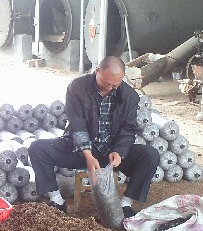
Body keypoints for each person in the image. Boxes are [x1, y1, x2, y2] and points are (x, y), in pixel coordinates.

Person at [28, 56, 159, 219]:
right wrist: (88, 155)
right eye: (106, 83)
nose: (110, 88)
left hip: (110, 153)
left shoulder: (130, 96)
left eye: (115, 85)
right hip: (79, 151)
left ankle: (125, 205)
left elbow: (128, 128)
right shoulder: (77, 87)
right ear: (97, 71)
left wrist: (119, 151)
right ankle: (57, 201)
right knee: (37, 148)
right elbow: (77, 124)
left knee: (150, 155)